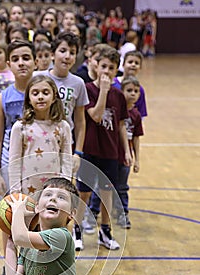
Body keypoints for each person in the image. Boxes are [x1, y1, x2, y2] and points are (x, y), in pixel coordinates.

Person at [0, 40, 36, 275]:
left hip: (38, 171)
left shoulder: (44, 92)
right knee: (9, 224)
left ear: (36, 61)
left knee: (34, 225)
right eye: (16, 58)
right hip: (11, 168)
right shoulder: (2, 98)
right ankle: (13, 274)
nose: (21, 62)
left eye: (26, 57)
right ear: (8, 64)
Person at [74, 47, 132, 251]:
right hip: (90, 149)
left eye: (112, 68)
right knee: (84, 193)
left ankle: (105, 232)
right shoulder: (88, 89)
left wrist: (126, 150)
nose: (107, 71)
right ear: (96, 66)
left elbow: (122, 124)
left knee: (107, 192)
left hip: (110, 150)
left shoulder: (119, 95)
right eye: (104, 66)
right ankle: (77, 229)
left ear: (117, 70)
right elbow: (96, 116)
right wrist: (104, 91)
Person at [36, 32, 89, 180]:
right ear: (53, 54)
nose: (67, 56)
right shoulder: (38, 77)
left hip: (64, 143)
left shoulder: (78, 83)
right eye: (63, 51)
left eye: (72, 53)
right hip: (38, 142)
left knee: (62, 188)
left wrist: (78, 152)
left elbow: (80, 121)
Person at [9, 75, 73, 196]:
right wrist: (15, 192)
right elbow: (14, 162)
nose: (40, 97)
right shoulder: (20, 127)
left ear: (54, 97)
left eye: (45, 92)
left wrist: (65, 187)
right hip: (27, 191)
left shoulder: (63, 126)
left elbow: (66, 160)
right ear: (28, 99)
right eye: (35, 93)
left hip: (54, 192)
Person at [115, 76, 143, 228]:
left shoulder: (136, 115)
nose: (133, 94)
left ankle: (122, 214)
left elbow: (137, 138)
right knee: (102, 186)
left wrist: (137, 159)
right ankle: (93, 213)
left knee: (122, 187)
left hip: (126, 157)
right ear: (122, 92)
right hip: (112, 155)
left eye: (136, 91)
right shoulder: (116, 111)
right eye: (129, 90)